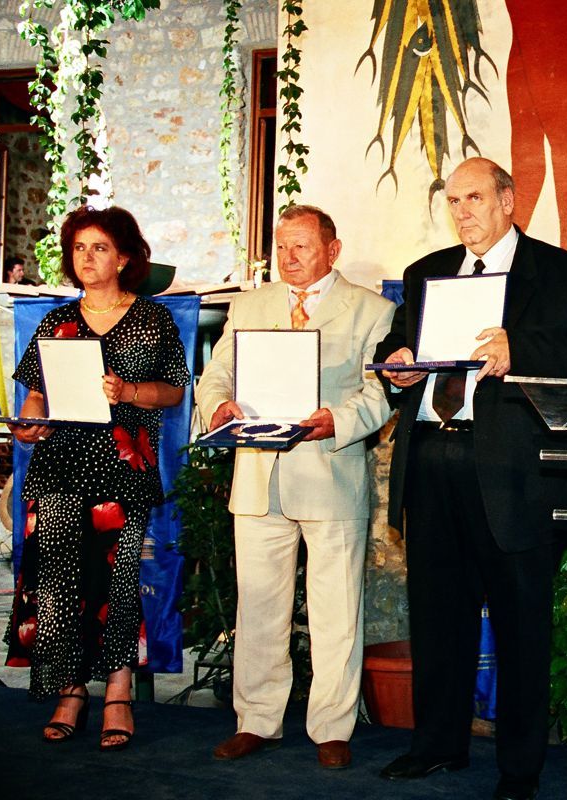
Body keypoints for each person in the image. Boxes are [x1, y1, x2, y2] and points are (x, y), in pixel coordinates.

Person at [375, 157, 567, 800]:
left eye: (475, 198)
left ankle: (519, 767)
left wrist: (521, 350)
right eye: (453, 201)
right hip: (432, 462)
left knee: (520, 627)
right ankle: (437, 745)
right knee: (437, 619)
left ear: (508, 200)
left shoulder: (562, 273)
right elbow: (397, 346)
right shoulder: (426, 273)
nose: (463, 212)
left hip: (514, 476)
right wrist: (397, 363)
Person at [196, 205, 396, 768]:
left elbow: (381, 391)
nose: (289, 257)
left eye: (302, 246)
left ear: (333, 250)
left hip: (330, 473)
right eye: (281, 247)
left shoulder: (373, 311)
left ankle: (332, 727)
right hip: (258, 478)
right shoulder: (249, 305)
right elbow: (216, 374)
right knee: (259, 607)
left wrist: (338, 420)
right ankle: (256, 721)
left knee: (337, 610)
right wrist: (219, 406)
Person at [4, 205, 190, 750]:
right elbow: (35, 394)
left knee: (116, 583)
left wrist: (128, 392)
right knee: (58, 583)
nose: (87, 257)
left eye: (100, 247)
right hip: (59, 466)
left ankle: (117, 692)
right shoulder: (55, 321)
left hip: (122, 470)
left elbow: (174, 391)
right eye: (80, 248)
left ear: (124, 258)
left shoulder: (152, 319)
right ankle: (70, 692)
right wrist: (30, 425)